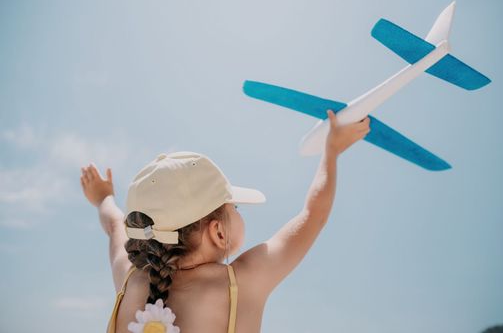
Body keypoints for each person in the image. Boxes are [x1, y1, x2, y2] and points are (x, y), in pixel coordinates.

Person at [80, 110, 370, 333]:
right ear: (218, 232)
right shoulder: (242, 282)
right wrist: (331, 152)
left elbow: (115, 225)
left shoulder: (130, 278)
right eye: (235, 208)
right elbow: (313, 215)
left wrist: (103, 197)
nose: (239, 212)